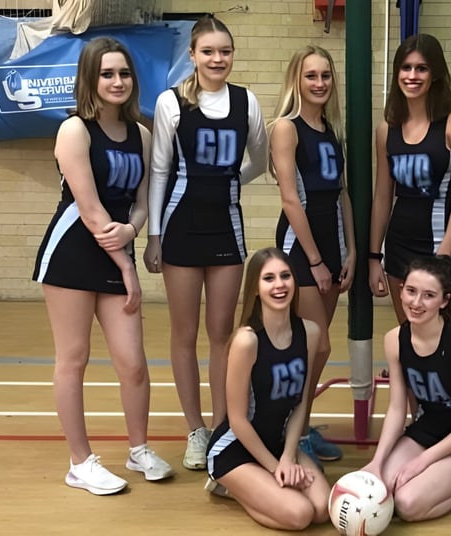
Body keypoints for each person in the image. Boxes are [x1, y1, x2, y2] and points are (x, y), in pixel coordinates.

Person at [33, 37, 174, 494]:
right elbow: (91, 210)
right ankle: (80, 462)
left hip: (117, 247)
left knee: (133, 362)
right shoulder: (74, 130)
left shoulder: (143, 133)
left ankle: (138, 449)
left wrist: (133, 232)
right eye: (107, 74)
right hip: (73, 251)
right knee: (73, 359)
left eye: (124, 73)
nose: (117, 81)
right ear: (91, 80)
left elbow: (140, 201)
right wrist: (129, 266)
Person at [143, 14, 268, 471]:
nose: (218, 59)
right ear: (193, 55)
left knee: (222, 336)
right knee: (184, 334)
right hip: (179, 226)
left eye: (225, 51)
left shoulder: (246, 102)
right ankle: (195, 429)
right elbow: (159, 171)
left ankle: (221, 428)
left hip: (225, 229)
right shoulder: (170, 103)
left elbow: (260, 159)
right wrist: (154, 234)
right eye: (209, 51)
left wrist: (231, 181)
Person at [362, 255, 451, 521]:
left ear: (444, 301)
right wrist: (377, 462)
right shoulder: (394, 340)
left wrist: (423, 461)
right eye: (411, 291)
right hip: (427, 429)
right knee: (381, 488)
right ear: (400, 289)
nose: (416, 303)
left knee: (406, 504)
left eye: (428, 295)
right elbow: (396, 407)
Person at [268, 45, 356, 466]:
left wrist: (352, 251)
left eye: (325, 76)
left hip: (333, 245)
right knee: (313, 346)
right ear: (296, 81)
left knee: (315, 346)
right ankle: (291, 432)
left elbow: (342, 196)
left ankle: (301, 427)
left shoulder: (332, 132)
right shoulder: (286, 128)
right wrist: (316, 262)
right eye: (310, 76)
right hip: (301, 250)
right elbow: (290, 199)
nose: (319, 83)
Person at [204, 248, 329, 530]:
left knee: (321, 508)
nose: (279, 285)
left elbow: (300, 403)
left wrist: (287, 456)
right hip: (235, 448)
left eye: (285, 276)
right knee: (299, 515)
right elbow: (236, 419)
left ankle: (262, 486)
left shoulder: (309, 332)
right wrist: (275, 469)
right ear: (256, 289)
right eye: (268, 278)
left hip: (279, 444)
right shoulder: (246, 341)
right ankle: (233, 487)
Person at [368, 33, 451, 323]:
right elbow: (382, 196)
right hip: (399, 246)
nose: (412, 76)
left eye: (422, 68)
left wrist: (445, 255)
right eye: (406, 68)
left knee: (443, 338)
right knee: (409, 335)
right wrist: (373, 256)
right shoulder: (386, 129)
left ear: (435, 74)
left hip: (439, 245)